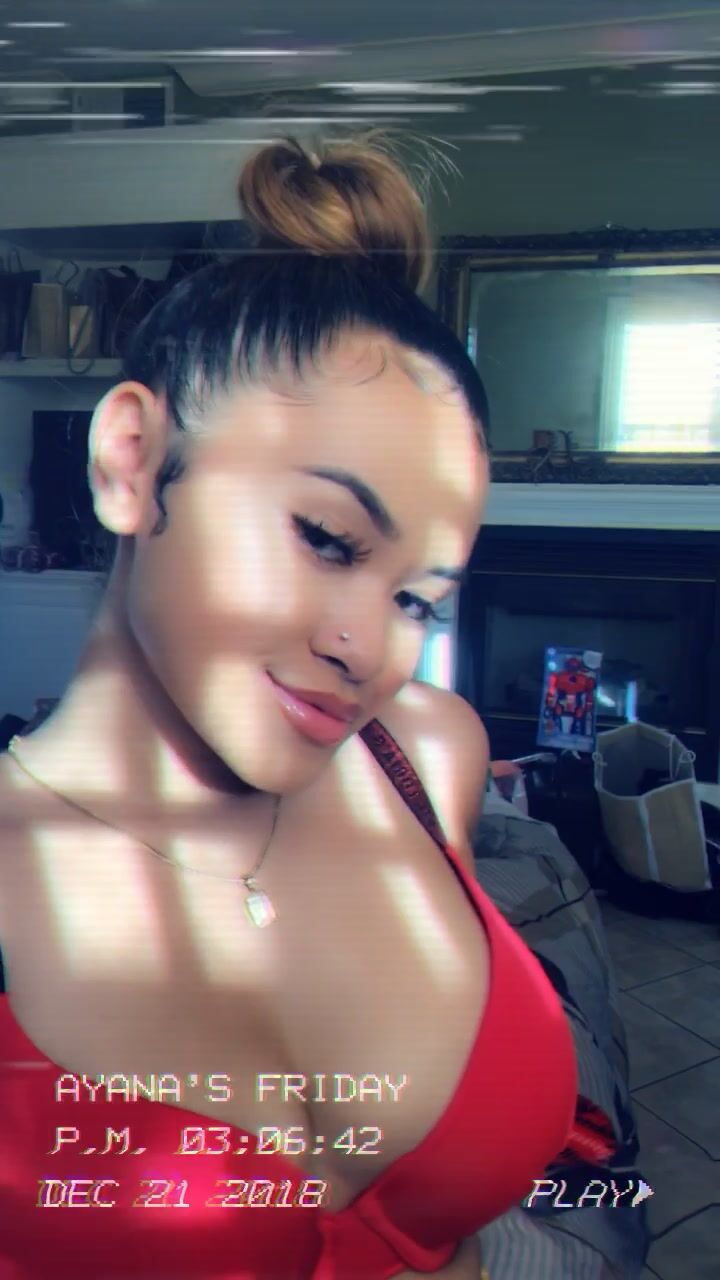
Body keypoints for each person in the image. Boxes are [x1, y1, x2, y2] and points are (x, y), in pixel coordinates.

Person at [0, 135, 589, 1279]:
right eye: (325, 537)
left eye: (418, 598)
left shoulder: (430, 754)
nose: (365, 647)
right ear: (132, 459)